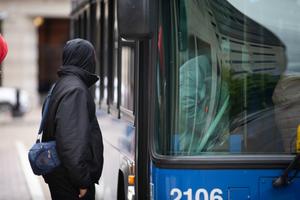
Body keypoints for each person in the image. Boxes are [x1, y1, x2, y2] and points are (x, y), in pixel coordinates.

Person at [42, 38, 103, 200]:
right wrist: (81, 181)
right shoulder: (75, 90)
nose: (94, 61)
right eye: (92, 57)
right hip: (71, 182)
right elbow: (71, 142)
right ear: (84, 59)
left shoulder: (62, 84)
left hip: (61, 176)